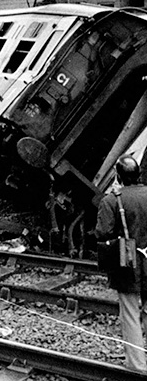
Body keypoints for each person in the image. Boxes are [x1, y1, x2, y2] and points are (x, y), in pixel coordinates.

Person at [94, 155, 147, 372]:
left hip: (129, 260)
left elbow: (102, 232)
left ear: (118, 175)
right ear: (139, 175)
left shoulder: (111, 199)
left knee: (130, 312)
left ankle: (137, 365)